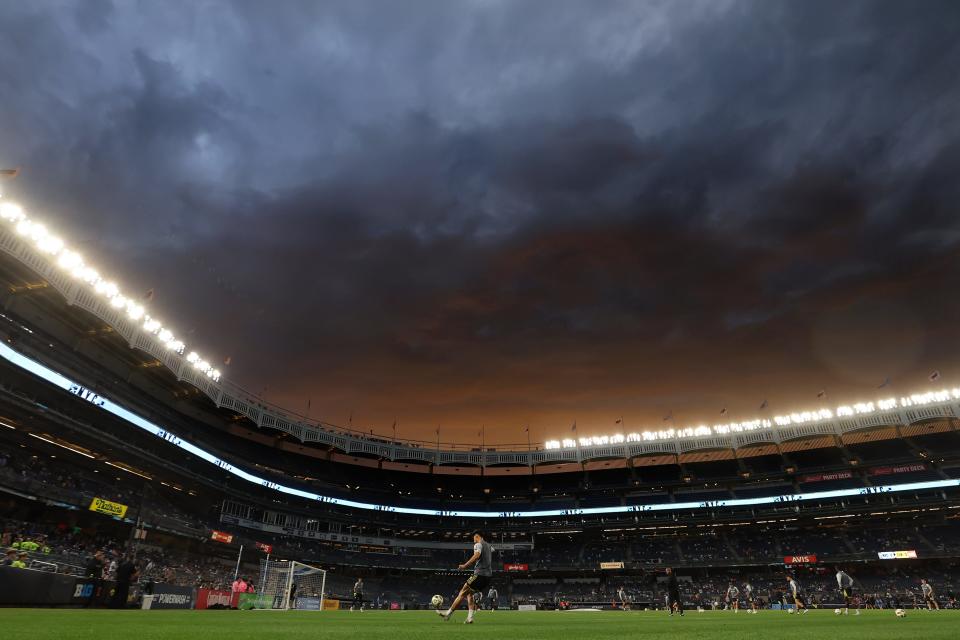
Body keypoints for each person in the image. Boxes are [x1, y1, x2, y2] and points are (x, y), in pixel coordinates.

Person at [437, 530, 493, 624]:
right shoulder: (489, 545)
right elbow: (491, 551)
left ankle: (448, 613)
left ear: (477, 536)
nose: (473, 540)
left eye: (473, 537)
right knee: (469, 594)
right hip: (488, 577)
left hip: (479, 574)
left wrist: (465, 565)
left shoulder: (478, 544)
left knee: (462, 592)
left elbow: (476, 555)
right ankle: (470, 618)